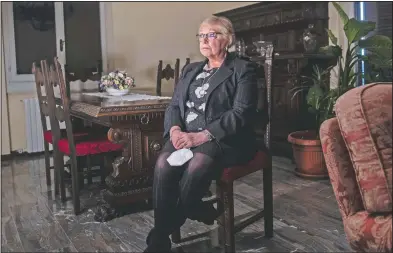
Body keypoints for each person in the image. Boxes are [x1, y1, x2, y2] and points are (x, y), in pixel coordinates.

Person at [144, 16, 259, 252]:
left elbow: (240, 113)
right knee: (163, 163)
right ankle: (196, 207)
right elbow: (174, 106)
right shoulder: (191, 70)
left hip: (224, 138)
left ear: (227, 39)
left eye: (212, 34)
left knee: (198, 163)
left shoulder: (242, 69)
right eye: (201, 35)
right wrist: (175, 129)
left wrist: (201, 136)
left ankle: (159, 237)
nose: (204, 40)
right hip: (185, 134)